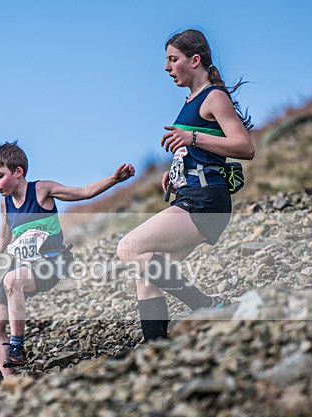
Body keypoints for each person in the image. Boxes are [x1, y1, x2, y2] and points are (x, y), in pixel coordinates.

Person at [116, 29, 255, 342]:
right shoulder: (190, 102)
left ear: (195, 60)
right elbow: (202, 151)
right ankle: (156, 349)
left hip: (207, 200)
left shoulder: (214, 97)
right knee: (147, 272)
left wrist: (192, 138)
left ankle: (208, 305)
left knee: (129, 248)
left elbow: (245, 147)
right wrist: (178, 171)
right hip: (191, 194)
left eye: (172, 59)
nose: (167, 67)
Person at [0, 141, 134, 379]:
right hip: (23, 266)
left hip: (52, 262)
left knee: (12, 280)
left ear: (18, 172)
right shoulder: (5, 203)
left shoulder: (42, 190)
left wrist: (114, 179)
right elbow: (2, 238)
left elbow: (83, 192)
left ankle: (17, 345)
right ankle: (13, 383)